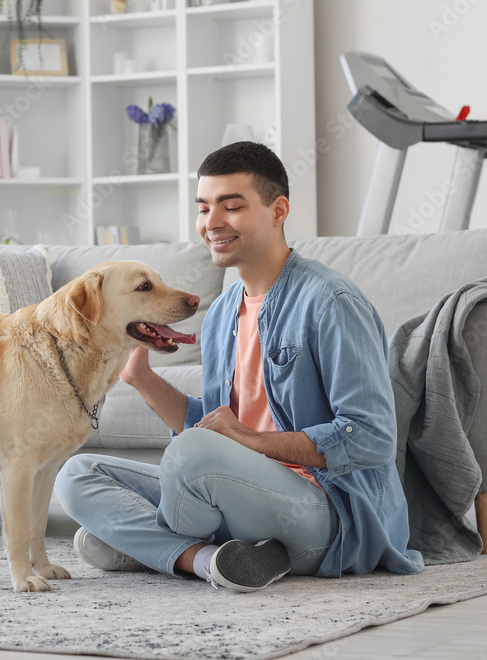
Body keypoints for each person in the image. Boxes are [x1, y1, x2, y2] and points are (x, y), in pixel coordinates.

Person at [54, 141, 424, 592]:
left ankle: (151, 545)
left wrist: (251, 441)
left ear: (278, 210)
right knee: (77, 473)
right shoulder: (224, 311)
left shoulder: (330, 303)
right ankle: (213, 559)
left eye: (231, 206)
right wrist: (143, 379)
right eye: (204, 207)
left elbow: (371, 437)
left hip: (324, 515)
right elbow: (218, 428)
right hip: (238, 496)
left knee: (176, 467)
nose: (212, 223)